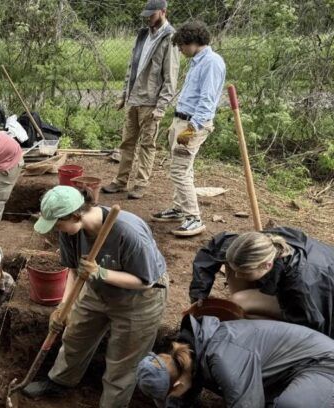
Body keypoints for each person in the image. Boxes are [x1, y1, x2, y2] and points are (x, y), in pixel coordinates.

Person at [23, 186, 168, 407]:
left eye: (58, 224)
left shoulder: (128, 232)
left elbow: (145, 280)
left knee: (122, 362)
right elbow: (74, 271)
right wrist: (63, 307)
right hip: (96, 290)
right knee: (75, 337)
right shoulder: (70, 233)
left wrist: (101, 273)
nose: (56, 230)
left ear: (75, 215)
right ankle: (60, 381)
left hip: (139, 300)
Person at [136, 314, 334, 407]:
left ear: (177, 384)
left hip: (323, 364)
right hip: (286, 369)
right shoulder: (187, 353)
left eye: (169, 395)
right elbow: (182, 396)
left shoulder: (224, 361)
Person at [151, 21, 225, 237]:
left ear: (192, 41)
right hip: (182, 120)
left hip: (193, 124)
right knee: (182, 168)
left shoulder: (211, 62)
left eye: (182, 45)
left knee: (179, 170)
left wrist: (191, 128)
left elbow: (207, 100)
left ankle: (194, 218)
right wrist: (176, 123)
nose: (180, 50)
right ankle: (179, 209)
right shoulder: (197, 61)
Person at [189, 227, 334, 337]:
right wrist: (199, 294)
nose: (237, 276)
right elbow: (215, 248)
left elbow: (314, 330)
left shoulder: (300, 288)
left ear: (267, 265)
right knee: (232, 264)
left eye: (244, 272)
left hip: (318, 303)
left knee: (238, 302)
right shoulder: (254, 245)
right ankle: (244, 315)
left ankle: (248, 321)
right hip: (287, 278)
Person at [102, 0, 179, 200]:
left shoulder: (170, 38)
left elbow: (171, 77)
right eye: (146, 15)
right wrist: (124, 95)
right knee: (127, 142)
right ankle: (120, 181)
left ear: (163, 12)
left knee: (147, 145)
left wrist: (161, 107)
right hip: (133, 99)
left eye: (152, 15)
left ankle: (140, 184)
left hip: (151, 103)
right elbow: (132, 68)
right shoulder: (143, 34)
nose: (148, 18)